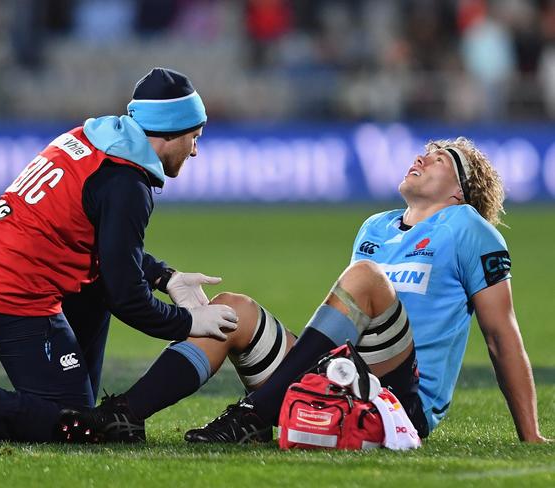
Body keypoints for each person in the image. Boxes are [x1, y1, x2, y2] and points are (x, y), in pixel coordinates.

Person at [58, 136, 548, 445]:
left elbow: (501, 335)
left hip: (400, 404)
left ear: (459, 191)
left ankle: (254, 412)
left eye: (441, 158)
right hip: (341, 378)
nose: (423, 156)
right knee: (232, 310)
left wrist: (532, 436)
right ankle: (123, 416)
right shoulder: (375, 226)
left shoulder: (469, 227)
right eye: (425, 150)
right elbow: (345, 319)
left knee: (366, 278)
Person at [0, 67, 241, 445]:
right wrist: (187, 322)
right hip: (7, 288)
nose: (196, 149)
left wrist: (166, 277)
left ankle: (63, 388)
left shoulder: (93, 139)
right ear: (169, 132)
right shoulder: (127, 183)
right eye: (193, 137)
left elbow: (104, 248)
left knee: (94, 289)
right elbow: (127, 298)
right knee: (78, 424)